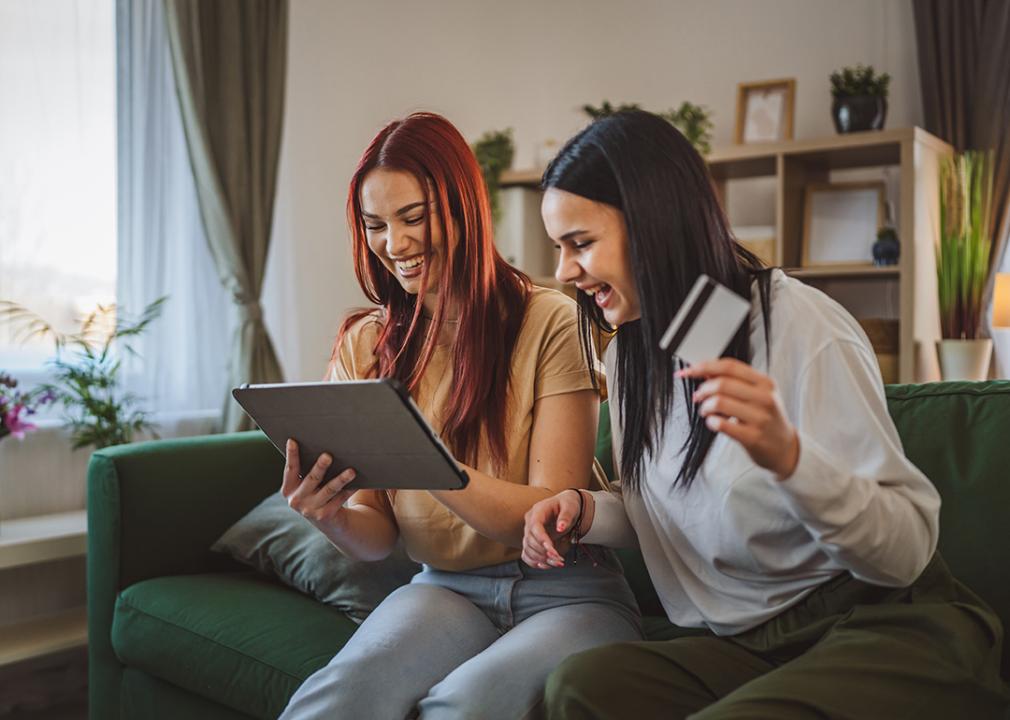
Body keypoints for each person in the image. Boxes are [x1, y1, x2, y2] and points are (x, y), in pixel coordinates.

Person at [522, 110, 1010, 719]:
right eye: (559, 249)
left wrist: (791, 459)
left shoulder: (797, 322)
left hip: (880, 621)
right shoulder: (632, 354)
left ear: (652, 222)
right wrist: (587, 510)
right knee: (580, 686)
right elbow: (680, 500)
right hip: (746, 646)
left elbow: (906, 548)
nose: (565, 272)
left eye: (581, 244)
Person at [277, 112, 641, 720]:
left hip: (569, 591)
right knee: (335, 700)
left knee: (466, 706)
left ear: (463, 207)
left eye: (413, 218)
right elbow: (376, 540)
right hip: (444, 588)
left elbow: (547, 514)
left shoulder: (549, 320)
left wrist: (420, 459)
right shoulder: (364, 346)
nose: (395, 244)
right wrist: (331, 515)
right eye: (376, 226)